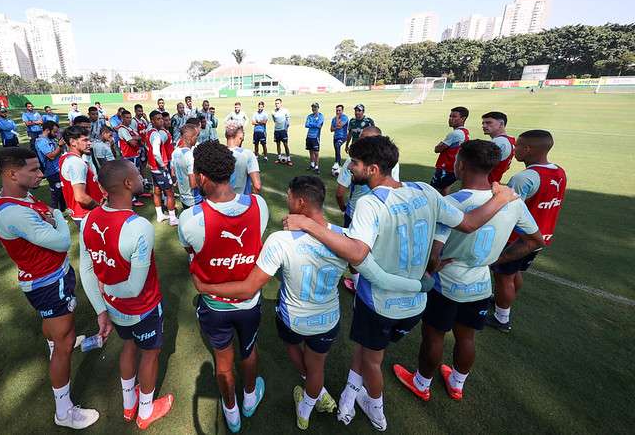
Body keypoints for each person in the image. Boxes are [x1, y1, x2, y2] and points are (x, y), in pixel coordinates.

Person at [283, 136, 518, 430]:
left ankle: (376, 408)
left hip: (380, 303)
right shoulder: (426, 192)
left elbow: (356, 252)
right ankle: (349, 393)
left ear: (371, 168)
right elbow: (469, 223)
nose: (350, 167)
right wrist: (500, 198)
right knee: (368, 348)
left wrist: (307, 225)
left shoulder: (369, 203)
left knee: (372, 360)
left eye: (354, 163)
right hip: (415, 304)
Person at [391, 139, 544, 403]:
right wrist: (496, 260)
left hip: (446, 285)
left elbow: (434, 256)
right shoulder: (513, 202)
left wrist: (431, 266)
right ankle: (457, 384)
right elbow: (535, 241)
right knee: (467, 337)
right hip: (480, 283)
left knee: (434, 335)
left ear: (460, 165)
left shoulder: (449, 203)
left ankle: (421, 383)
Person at [192, 175, 341, 430]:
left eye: (289, 196)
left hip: (292, 318)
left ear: (301, 202)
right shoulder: (344, 237)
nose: (287, 200)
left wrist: (206, 287)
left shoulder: (280, 241)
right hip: (328, 319)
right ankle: (305, 411)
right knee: (317, 369)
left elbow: (249, 288)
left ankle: (303, 395)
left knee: (293, 348)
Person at [0, 147, 99, 429]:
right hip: (49, 282)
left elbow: (47, 219)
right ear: (12, 174)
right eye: (34, 170)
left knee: (55, 331)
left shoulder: (15, 196)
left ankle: (55, 342)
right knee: (64, 343)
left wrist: (50, 220)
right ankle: (64, 412)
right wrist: (58, 219)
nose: (41, 174)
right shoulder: (13, 212)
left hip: (46, 277)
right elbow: (62, 241)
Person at [177, 142, 270, 433]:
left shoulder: (190, 219)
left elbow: (190, 253)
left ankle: (231, 412)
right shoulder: (260, 205)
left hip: (214, 305)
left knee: (223, 361)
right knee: (250, 349)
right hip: (250, 302)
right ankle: (250, 397)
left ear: (202, 177)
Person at [78, 159, 174, 429]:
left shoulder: (88, 219)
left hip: (113, 307)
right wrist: (106, 290)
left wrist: (101, 307)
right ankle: (145, 411)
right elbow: (133, 287)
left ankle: (128, 404)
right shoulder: (139, 226)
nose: (141, 174)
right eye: (136, 173)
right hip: (142, 306)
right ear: (129, 184)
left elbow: (86, 269)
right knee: (150, 353)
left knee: (129, 346)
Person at [488, 129, 567, 333]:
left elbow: (509, 209)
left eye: (518, 146)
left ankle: (501, 318)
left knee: (503, 276)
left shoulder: (524, 178)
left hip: (518, 239)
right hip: (541, 236)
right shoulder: (559, 171)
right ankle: (504, 301)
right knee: (514, 272)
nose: (514, 150)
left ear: (528, 149)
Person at [335, 127, 398, 292]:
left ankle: (359, 286)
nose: (350, 167)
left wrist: (312, 226)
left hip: (356, 214)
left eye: (365, 139)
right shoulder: (420, 190)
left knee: (356, 254)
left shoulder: (366, 204)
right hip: (385, 215)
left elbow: (340, 193)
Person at [58, 126, 105, 225]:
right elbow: (80, 197)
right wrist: (100, 209)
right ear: (73, 142)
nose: (89, 143)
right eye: (85, 140)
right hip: (87, 214)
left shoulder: (66, 157)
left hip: (81, 214)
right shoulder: (76, 163)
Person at [144, 110, 178, 225]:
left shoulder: (150, 132)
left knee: (157, 191)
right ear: (152, 121)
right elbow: (156, 152)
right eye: (158, 119)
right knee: (170, 193)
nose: (162, 121)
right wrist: (163, 165)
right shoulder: (158, 134)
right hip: (160, 168)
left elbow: (148, 148)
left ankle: (160, 215)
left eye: (162, 118)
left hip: (154, 167)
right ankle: (173, 218)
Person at [431, 107, 470, 196]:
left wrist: (439, 145)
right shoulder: (465, 132)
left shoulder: (455, 134)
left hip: (446, 168)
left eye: (454, 116)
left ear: (463, 118)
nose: (450, 119)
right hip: (454, 168)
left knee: (433, 191)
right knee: (445, 188)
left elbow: (437, 149)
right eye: (450, 116)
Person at [36, 121, 67, 212]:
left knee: (61, 191)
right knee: (55, 193)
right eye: (55, 132)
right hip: (51, 172)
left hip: (58, 169)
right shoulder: (41, 141)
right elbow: (51, 156)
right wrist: (60, 146)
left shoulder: (50, 139)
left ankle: (63, 210)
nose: (56, 134)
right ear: (47, 130)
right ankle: (54, 213)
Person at [225, 124, 261, 195]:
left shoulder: (217, 153)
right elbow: (257, 186)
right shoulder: (247, 154)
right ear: (241, 137)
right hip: (241, 202)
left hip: (219, 203)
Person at [171, 124, 201, 209]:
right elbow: (193, 184)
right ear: (191, 138)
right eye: (196, 136)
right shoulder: (191, 156)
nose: (197, 139)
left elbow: (173, 174)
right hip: (194, 199)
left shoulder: (175, 152)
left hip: (183, 198)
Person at [482, 111, 515, 184]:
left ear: (501, 124)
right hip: (493, 181)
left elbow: (480, 164)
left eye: (488, 123)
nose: (484, 126)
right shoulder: (510, 140)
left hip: (484, 184)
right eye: (483, 123)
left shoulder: (499, 142)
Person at [304, 103, 325, 174]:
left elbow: (319, 125)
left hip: (316, 137)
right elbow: (306, 125)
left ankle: (317, 167)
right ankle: (312, 165)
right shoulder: (309, 116)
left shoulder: (321, 116)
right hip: (309, 136)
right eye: (313, 107)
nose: (314, 109)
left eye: (315, 107)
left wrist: (312, 124)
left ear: (318, 108)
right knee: (310, 151)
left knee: (316, 152)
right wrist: (314, 124)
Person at [330, 105, 349, 176]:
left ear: (342, 111)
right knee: (336, 150)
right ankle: (339, 166)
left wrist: (337, 120)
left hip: (343, 136)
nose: (338, 112)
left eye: (339, 110)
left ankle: (337, 162)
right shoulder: (333, 119)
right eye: (337, 110)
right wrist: (336, 126)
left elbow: (340, 125)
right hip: (335, 137)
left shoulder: (344, 117)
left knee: (337, 145)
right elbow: (331, 129)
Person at [272, 98, 292, 165]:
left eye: (278, 103)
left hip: (283, 131)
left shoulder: (285, 111)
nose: (276, 104)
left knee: (285, 145)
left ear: (281, 104)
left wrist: (286, 128)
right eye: (276, 103)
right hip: (276, 131)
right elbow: (274, 120)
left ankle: (289, 159)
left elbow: (288, 120)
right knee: (278, 145)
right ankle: (279, 158)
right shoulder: (273, 112)